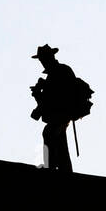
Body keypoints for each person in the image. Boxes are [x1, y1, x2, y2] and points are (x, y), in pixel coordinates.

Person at [29, 44, 77, 172]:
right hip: (57, 116)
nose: (42, 62)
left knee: (49, 133)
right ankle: (62, 168)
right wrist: (39, 94)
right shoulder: (54, 74)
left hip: (62, 114)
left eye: (43, 58)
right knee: (59, 141)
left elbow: (61, 93)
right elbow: (46, 102)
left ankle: (51, 166)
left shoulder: (61, 71)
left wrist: (44, 88)